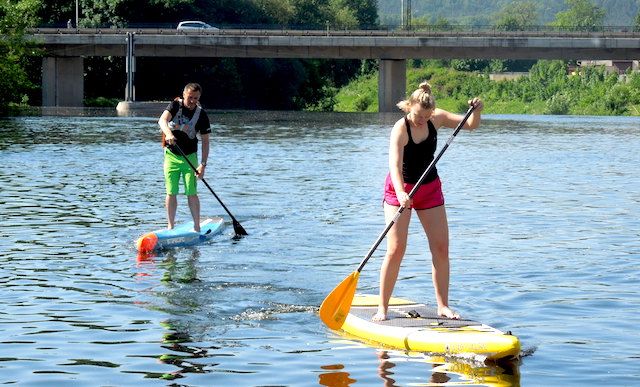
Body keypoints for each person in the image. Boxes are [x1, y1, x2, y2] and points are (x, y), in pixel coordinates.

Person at [373, 81, 484, 321]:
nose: (420, 120)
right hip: (399, 190)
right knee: (396, 249)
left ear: (432, 112)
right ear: (409, 107)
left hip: (430, 189)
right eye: (417, 115)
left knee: (441, 248)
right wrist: (402, 193)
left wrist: (477, 111)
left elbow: (472, 126)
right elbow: (394, 165)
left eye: (425, 116)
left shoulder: (438, 118)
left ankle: (443, 305)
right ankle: (382, 308)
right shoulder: (400, 129)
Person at [158, 83, 211, 232]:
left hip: (190, 158)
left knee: (191, 192)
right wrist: (168, 133)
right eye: (190, 97)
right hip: (171, 156)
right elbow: (162, 121)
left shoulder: (201, 114)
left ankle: (196, 226)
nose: (192, 101)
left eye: (196, 98)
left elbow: (206, 142)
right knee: (171, 191)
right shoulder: (175, 105)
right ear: (184, 94)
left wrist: (203, 165)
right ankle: (170, 226)